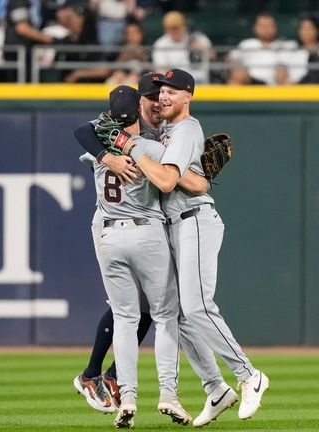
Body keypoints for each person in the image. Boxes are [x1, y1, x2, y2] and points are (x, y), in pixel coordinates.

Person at [74, 74, 235, 428]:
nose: (158, 102)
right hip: (146, 232)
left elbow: (84, 135)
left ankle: (124, 392)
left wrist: (105, 155)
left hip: (109, 233)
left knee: (127, 317)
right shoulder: (149, 147)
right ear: (138, 108)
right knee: (165, 316)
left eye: (161, 95)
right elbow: (175, 179)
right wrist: (199, 176)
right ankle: (168, 393)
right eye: (151, 98)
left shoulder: (101, 141)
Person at [122, 67, 270, 422]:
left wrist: (134, 149)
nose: (164, 96)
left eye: (173, 90)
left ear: (188, 95)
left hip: (194, 221)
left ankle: (250, 375)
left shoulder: (187, 128)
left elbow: (168, 181)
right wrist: (195, 176)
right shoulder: (168, 132)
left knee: (199, 307)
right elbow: (188, 179)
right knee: (181, 316)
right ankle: (215, 389)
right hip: (172, 226)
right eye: (161, 91)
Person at [227, 12, 296, 85]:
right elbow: (230, 59)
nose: (265, 29)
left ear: (275, 28)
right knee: (237, 75)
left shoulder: (284, 45)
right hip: (250, 82)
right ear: (255, 28)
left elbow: (287, 70)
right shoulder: (246, 44)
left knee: (282, 73)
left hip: (273, 84)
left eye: (268, 26)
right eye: (262, 26)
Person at [151, 10, 213, 84]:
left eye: (177, 28)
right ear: (166, 29)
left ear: (184, 26)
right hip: (176, 86)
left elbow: (212, 56)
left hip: (200, 83)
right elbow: (161, 71)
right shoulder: (161, 44)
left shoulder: (198, 38)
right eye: (171, 29)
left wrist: (200, 49)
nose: (175, 32)